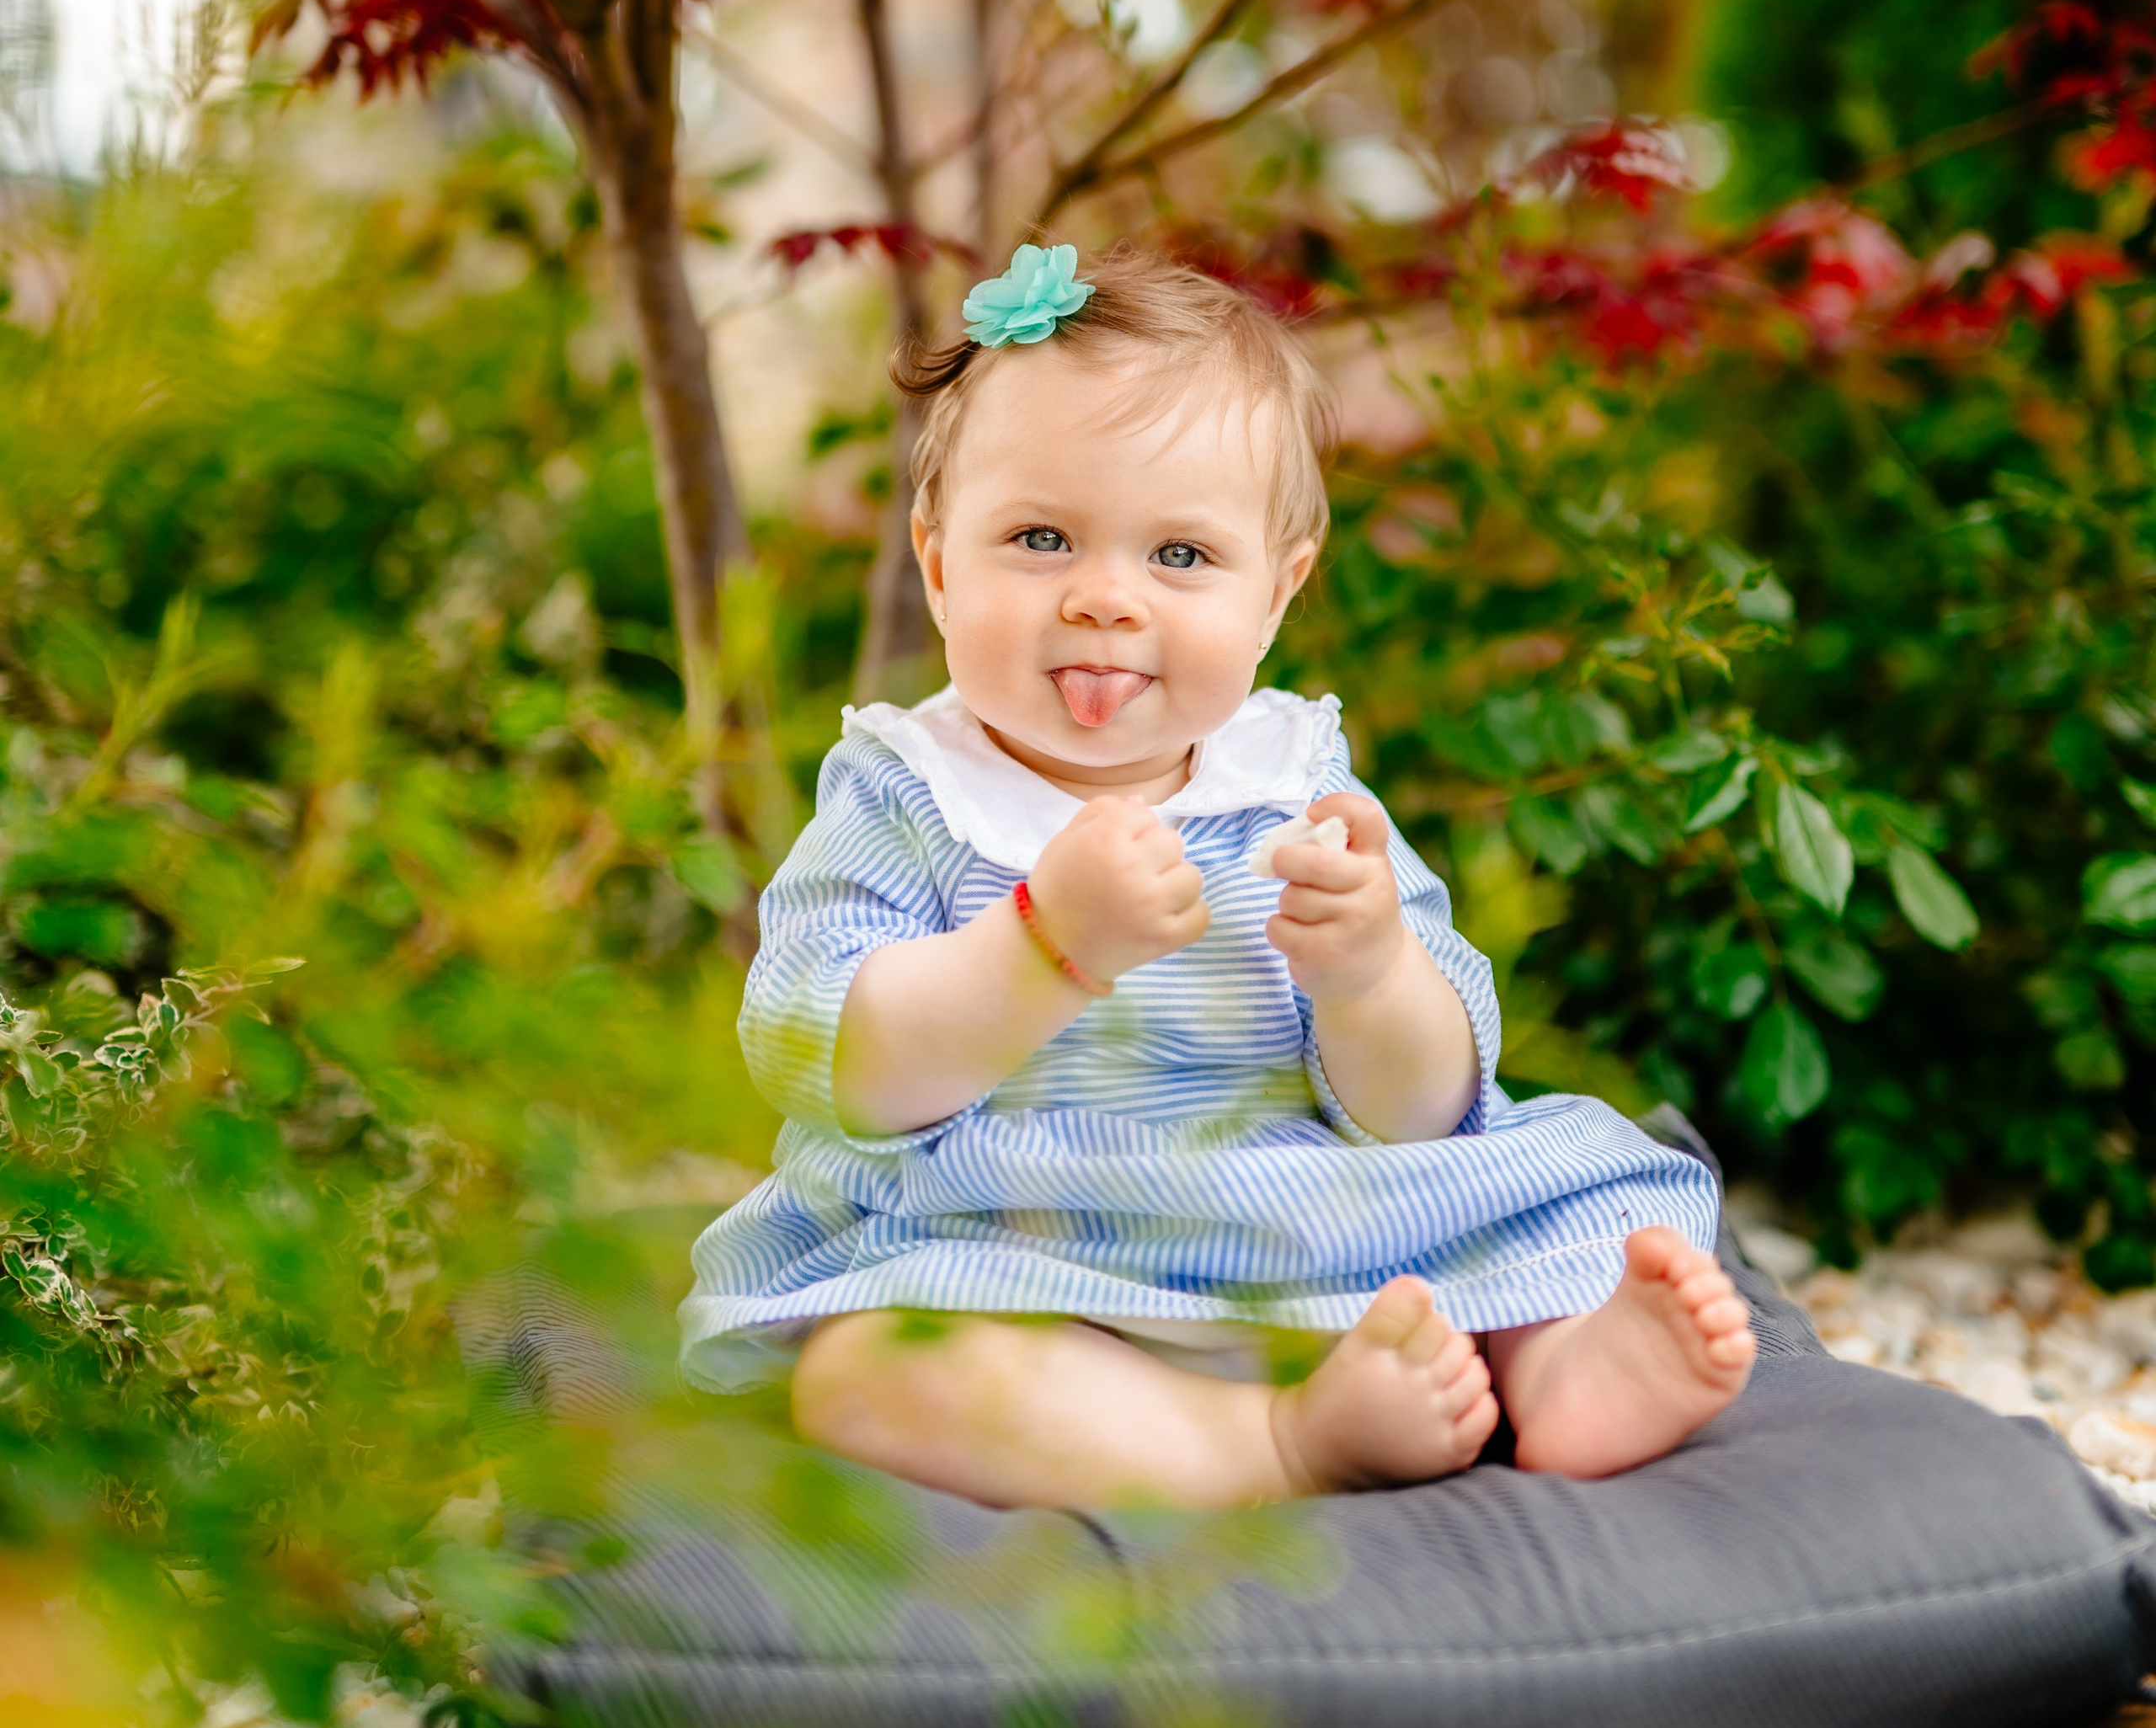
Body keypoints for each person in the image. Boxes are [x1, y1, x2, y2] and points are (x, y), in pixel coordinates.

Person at [680, 244, 1754, 1508]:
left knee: (1549, 1201)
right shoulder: (908, 791)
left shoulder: (1291, 783)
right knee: (870, 1375)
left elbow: (1427, 1115)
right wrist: (1043, 947)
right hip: (1022, 1263)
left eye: (1180, 557)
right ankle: (1278, 1440)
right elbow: (828, 1063)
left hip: (1326, 1227)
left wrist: (1370, 978)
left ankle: (1558, 1365)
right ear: (937, 561)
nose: (1105, 601)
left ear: (1276, 596)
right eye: (1040, 538)